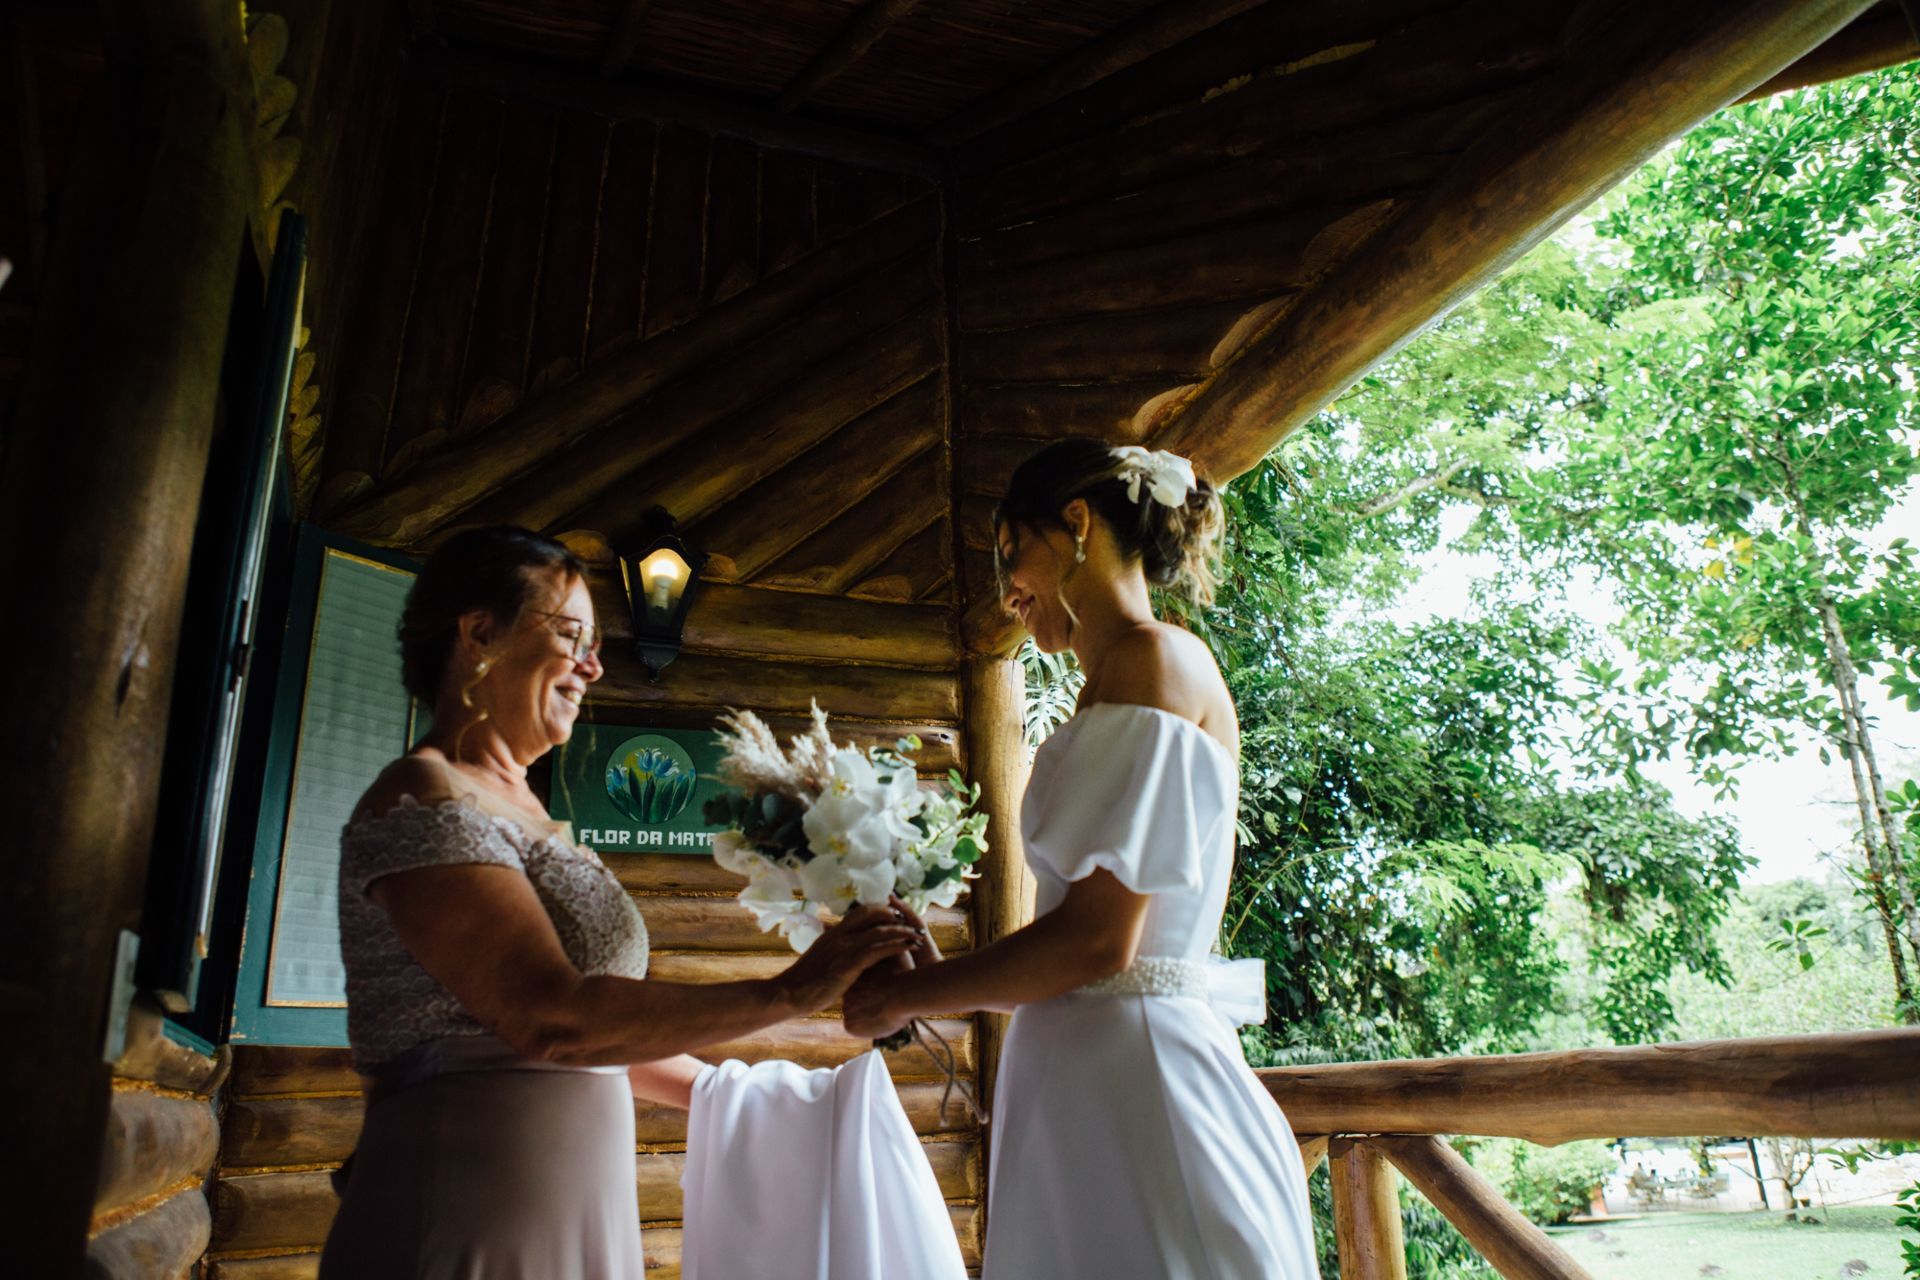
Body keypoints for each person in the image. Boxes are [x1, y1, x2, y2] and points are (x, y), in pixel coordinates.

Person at [319, 525, 916, 1279]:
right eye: (571, 634)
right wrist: (791, 991)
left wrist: (754, 1098)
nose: (593, 665)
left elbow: (599, 1043)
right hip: (460, 1212)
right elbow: (551, 1019)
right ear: (477, 633)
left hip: (577, 1212)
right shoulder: (426, 796)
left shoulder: (536, 818)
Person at [844, 440, 1320, 1278]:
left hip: (1140, 1088)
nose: (1005, 591)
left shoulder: (1155, 659)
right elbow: (1071, 933)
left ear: (1076, 524)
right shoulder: (1113, 687)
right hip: (1086, 1089)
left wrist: (909, 996)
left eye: (1009, 552)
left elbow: (1100, 943)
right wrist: (940, 970)